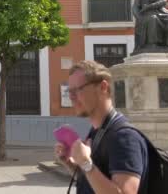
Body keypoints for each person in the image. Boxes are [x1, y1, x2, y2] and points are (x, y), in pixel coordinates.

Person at [54, 60, 148, 194]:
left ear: (103, 87)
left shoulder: (124, 137)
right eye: (70, 91)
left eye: (78, 90)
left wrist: (86, 164)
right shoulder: (96, 131)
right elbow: (94, 183)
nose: (71, 97)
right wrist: (72, 163)